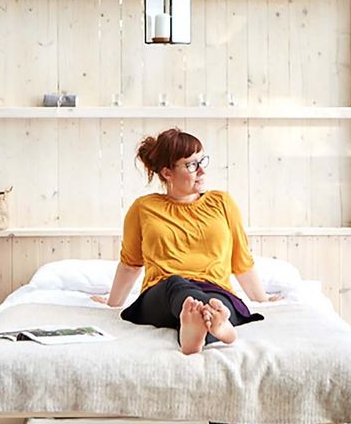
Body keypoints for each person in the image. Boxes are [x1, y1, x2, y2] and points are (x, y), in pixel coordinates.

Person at [92, 128, 279, 354]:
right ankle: (220, 327)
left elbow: (241, 261)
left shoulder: (222, 203)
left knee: (217, 304)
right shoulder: (143, 208)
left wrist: (263, 300)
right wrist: (113, 304)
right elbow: (131, 264)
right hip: (161, 293)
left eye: (202, 161)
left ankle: (198, 334)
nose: (201, 171)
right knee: (178, 285)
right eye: (191, 165)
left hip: (215, 290)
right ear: (167, 172)